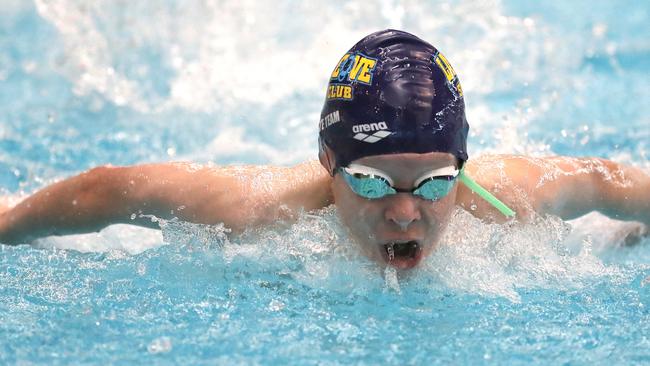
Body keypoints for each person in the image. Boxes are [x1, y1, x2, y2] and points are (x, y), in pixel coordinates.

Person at [0, 30, 648, 269]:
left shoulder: (509, 198)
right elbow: (114, 189)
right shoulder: (257, 211)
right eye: (370, 183)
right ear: (328, 164)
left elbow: (612, 180)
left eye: (432, 184)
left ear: (462, 167)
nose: (403, 214)